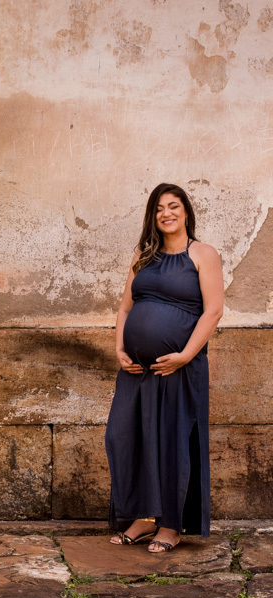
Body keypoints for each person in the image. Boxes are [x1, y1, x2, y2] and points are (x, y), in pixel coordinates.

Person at [105, 183, 224, 553]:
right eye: (159, 208)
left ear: (185, 211)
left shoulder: (202, 254)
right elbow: (126, 307)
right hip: (136, 371)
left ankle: (171, 525)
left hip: (178, 369)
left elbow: (213, 311)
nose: (166, 213)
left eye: (173, 206)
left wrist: (185, 355)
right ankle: (143, 517)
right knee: (124, 436)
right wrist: (120, 347)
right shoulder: (143, 257)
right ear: (152, 216)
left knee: (172, 442)